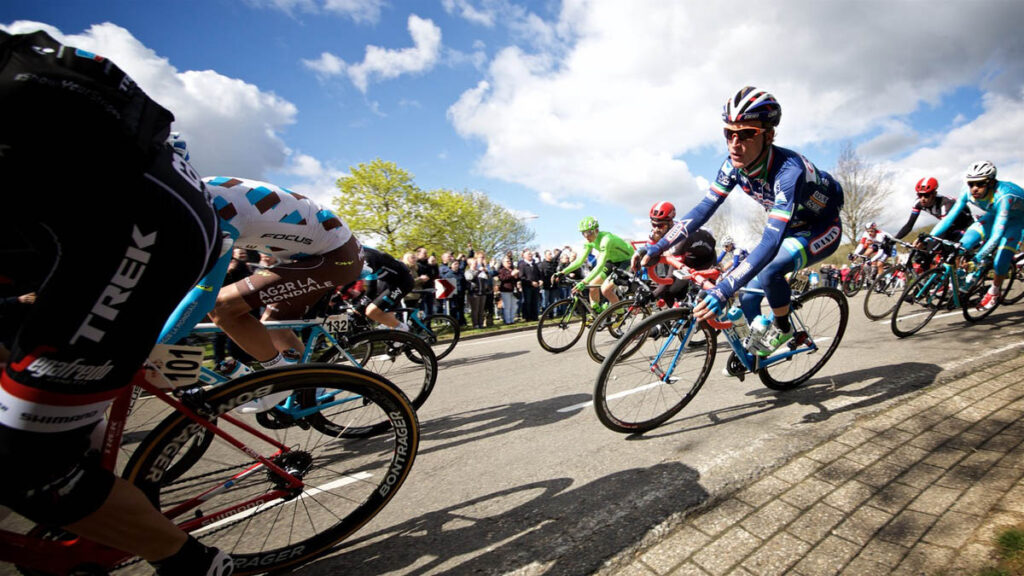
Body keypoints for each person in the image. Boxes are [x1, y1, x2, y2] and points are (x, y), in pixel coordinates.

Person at [0, 29, 231, 575]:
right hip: (85, 212)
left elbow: (224, 253)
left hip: (145, 226)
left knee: (21, 466)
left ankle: (188, 562)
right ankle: (82, 471)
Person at [642, 86, 844, 357]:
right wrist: (658, 247)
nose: (735, 143)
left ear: (769, 135)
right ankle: (755, 351)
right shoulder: (732, 166)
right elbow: (704, 208)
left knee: (771, 270)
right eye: (730, 133)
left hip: (820, 228)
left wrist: (724, 289)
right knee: (748, 295)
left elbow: (771, 242)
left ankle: (782, 327)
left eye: (747, 134)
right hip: (791, 229)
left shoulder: (788, 171)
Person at [930, 161, 1024, 310]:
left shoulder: (1004, 196)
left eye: (980, 184)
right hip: (994, 216)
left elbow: (996, 235)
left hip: (1017, 222)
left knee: (1000, 260)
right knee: (962, 245)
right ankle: (962, 276)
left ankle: (994, 291)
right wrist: (929, 237)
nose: (974, 188)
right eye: (971, 184)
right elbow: (949, 218)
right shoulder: (967, 191)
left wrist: (977, 259)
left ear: (991, 182)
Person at [633, 202, 717, 307]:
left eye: (660, 225)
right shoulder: (658, 232)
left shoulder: (680, 240)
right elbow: (649, 249)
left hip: (705, 261)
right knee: (669, 289)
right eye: (653, 224)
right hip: (689, 254)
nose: (655, 229)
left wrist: (651, 296)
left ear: (671, 223)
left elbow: (670, 278)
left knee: (672, 291)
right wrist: (638, 253)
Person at [557, 217, 635, 313]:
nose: (586, 236)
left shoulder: (606, 239)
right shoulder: (589, 242)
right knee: (593, 285)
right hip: (612, 261)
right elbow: (580, 260)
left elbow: (600, 264)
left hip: (626, 260)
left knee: (605, 290)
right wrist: (562, 272)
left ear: (596, 230)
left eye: (589, 232)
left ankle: (620, 314)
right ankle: (597, 312)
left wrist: (584, 282)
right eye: (583, 233)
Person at [343, 246, 415, 332]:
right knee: (385, 316)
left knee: (371, 312)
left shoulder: (367, 258)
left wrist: (359, 308)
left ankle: (406, 330)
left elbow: (371, 290)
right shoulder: (358, 254)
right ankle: (401, 337)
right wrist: (339, 294)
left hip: (403, 282)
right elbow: (352, 279)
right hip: (388, 283)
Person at [517, 249, 542, 321]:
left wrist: (540, 280)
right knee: (527, 302)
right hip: (527, 286)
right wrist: (531, 282)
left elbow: (539, 274)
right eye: (528, 254)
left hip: (536, 286)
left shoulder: (534, 264)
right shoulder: (522, 265)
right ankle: (527, 317)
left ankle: (535, 316)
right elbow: (521, 276)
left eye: (531, 254)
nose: (530, 255)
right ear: (524, 256)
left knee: (535, 301)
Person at [496, 256, 519, 324]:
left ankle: (512, 319)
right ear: (503, 263)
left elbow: (517, 279)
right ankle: (507, 320)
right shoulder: (501, 270)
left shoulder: (512, 269)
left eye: (510, 261)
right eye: (507, 261)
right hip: (505, 290)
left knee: (514, 306)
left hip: (513, 290)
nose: (509, 262)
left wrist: (516, 277)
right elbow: (503, 278)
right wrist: (511, 275)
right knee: (507, 306)